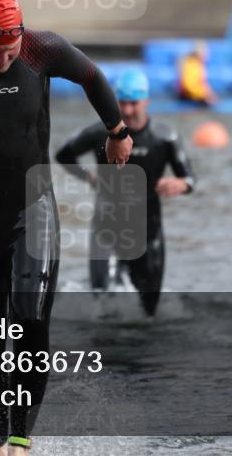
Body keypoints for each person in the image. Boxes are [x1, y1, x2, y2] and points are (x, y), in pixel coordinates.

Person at [0, 0, 132, 455]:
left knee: (30, 319)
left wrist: (117, 131)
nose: (3, 58)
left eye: (10, 50)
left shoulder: (42, 49)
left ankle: (20, 441)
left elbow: (93, 77)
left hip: (31, 211)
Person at [55, 68, 194, 316]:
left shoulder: (165, 137)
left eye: (134, 103)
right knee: (103, 306)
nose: (128, 110)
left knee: (148, 311)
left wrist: (180, 184)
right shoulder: (99, 132)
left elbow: (190, 178)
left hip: (148, 230)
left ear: (147, 101)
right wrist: (89, 177)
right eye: (122, 103)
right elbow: (63, 155)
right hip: (107, 228)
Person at [177, 40, 218, 105]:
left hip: (196, 96)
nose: (208, 54)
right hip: (191, 99)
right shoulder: (192, 65)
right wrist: (205, 95)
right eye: (205, 52)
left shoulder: (198, 64)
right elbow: (190, 86)